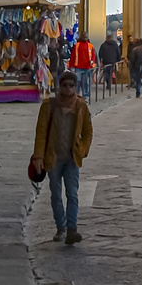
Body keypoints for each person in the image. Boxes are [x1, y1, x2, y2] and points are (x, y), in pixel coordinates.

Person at [32, 70, 93, 245]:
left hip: (72, 157)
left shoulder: (81, 106)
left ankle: (72, 229)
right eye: (65, 85)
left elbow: (88, 132)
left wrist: (83, 149)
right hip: (53, 157)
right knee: (56, 194)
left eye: (71, 85)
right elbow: (41, 132)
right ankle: (61, 227)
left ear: (76, 87)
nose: (68, 88)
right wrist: (38, 157)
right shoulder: (49, 106)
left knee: (72, 194)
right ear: (60, 86)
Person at [68, 32, 97, 100]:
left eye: (86, 37)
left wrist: (92, 64)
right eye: (84, 37)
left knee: (85, 82)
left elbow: (93, 56)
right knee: (78, 81)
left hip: (87, 67)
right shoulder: (77, 45)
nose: (85, 38)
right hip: (78, 66)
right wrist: (71, 65)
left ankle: (85, 95)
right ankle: (77, 95)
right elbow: (73, 56)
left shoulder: (90, 46)